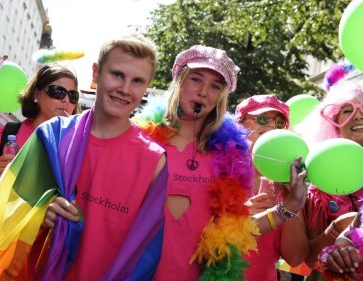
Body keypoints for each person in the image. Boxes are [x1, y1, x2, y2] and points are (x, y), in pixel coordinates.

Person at [133, 45, 308, 280]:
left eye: (215, 86)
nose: (204, 91)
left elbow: (232, 232)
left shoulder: (229, 155)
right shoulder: (142, 138)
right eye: (196, 79)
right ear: (179, 82)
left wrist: (290, 205)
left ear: (221, 97)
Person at [41, 33, 168, 280]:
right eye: (117, 74)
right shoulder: (53, 136)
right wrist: (37, 212)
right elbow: (8, 210)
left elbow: (146, 252)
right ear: (96, 73)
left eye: (137, 81)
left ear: (146, 88)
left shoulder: (155, 161)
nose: (125, 89)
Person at [0, 64, 80, 209]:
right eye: (58, 92)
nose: (66, 100)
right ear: (36, 94)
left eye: (73, 96)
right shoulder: (6, 135)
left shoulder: (78, 147)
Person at [295, 80, 363, 280]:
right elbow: (308, 259)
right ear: (333, 123)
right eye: (347, 110)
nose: (358, 115)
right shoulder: (320, 183)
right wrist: (338, 229)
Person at [237, 94, 309, 281]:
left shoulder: (286, 185)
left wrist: (293, 201)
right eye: (261, 118)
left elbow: (295, 258)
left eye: (279, 122)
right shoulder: (217, 170)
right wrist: (239, 214)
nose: (270, 125)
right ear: (240, 125)